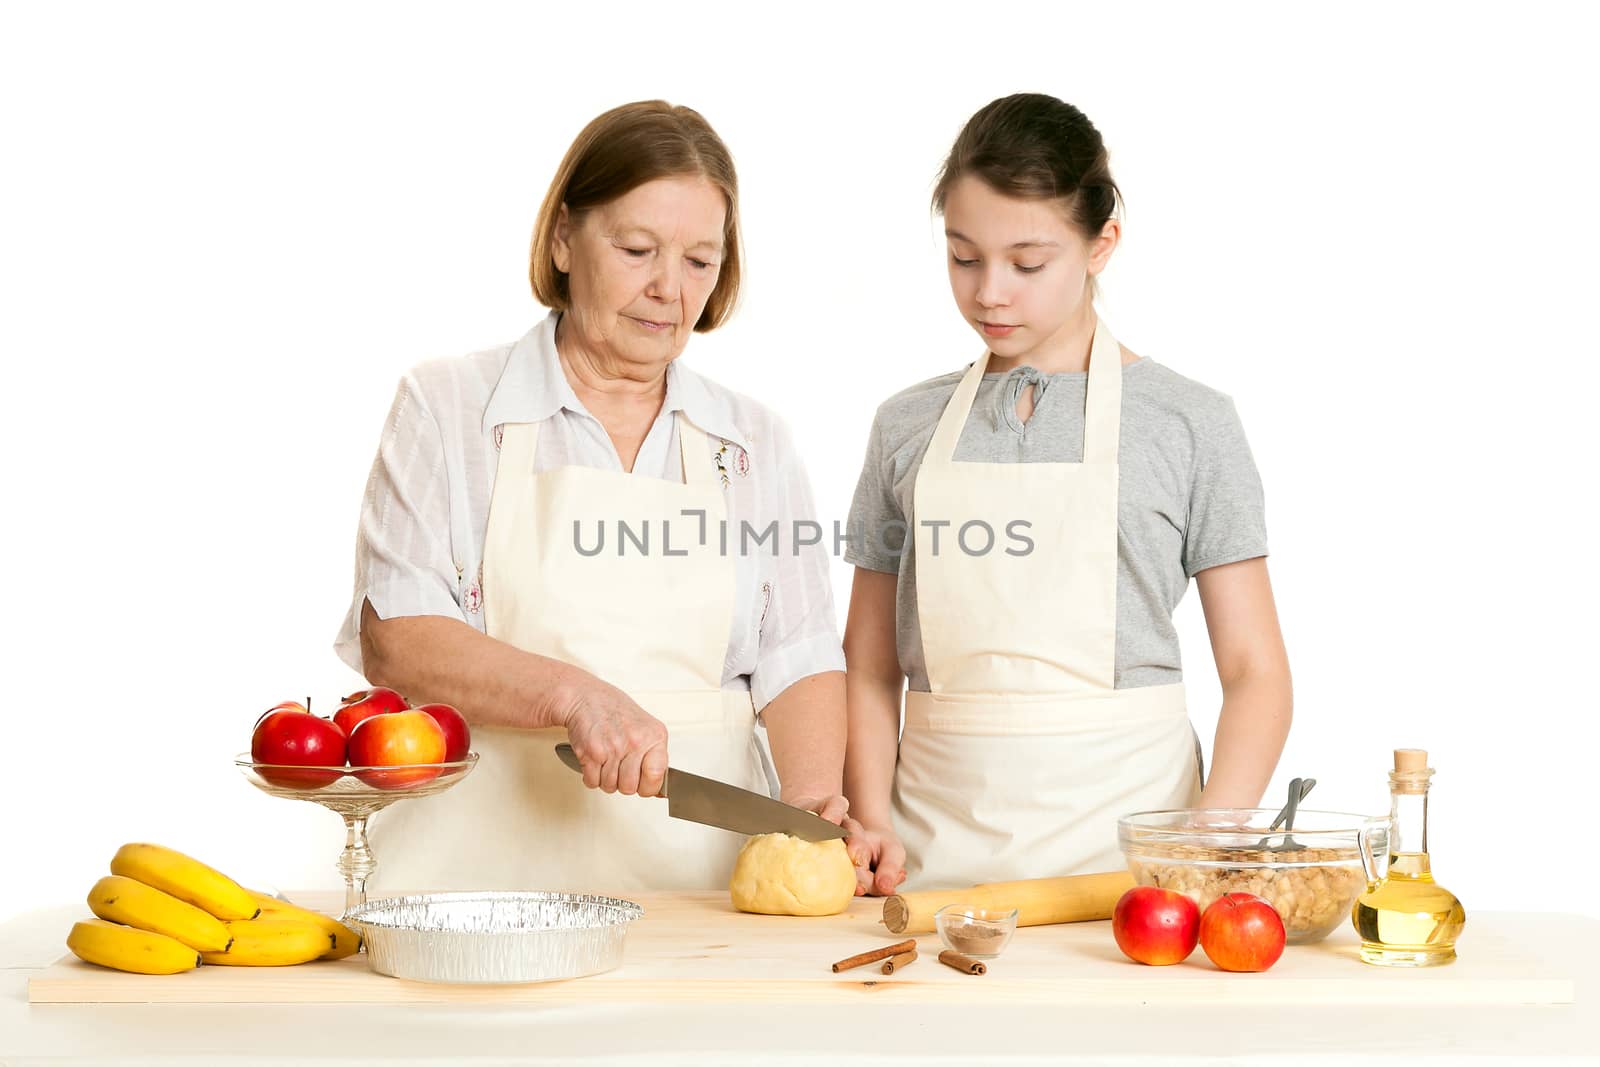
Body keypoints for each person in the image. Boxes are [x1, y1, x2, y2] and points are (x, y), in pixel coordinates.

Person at [333, 101, 847, 893]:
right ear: (564, 237)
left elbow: (799, 655)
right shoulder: (448, 407)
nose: (668, 289)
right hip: (474, 887)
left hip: (698, 896)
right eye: (637, 248)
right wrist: (573, 695)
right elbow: (397, 635)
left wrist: (814, 802)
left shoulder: (754, 442)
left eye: (700, 261)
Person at [841, 94, 1292, 894]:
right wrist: (871, 818)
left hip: (1133, 871)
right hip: (932, 865)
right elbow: (870, 664)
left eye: (1028, 261)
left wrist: (1207, 841)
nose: (990, 293)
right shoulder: (904, 426)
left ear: (1100, 244)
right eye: (963, 256)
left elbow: (1257, 670)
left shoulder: (1190, 423)